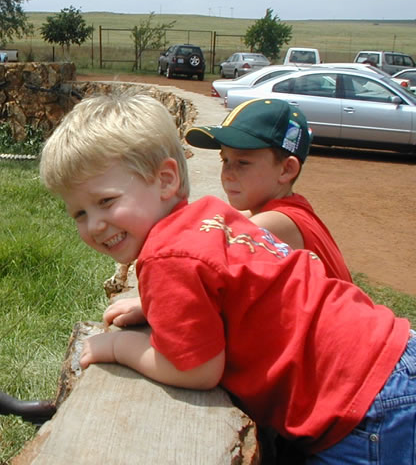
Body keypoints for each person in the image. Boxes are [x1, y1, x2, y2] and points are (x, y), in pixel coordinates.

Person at [39, 91, 414, 464]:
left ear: (166, 180)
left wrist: (117, 347)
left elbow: (196, 369)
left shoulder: (166, 255)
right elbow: (228, 286)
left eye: (106, 201)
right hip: (388, 354)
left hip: (365, 403)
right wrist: (159, 306)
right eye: (79, 214)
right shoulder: (210, 215)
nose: (95, 224)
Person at [184, 98, 352, 283]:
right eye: (225, 160)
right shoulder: (280, 209)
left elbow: (191, 260)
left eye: (243, 162)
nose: (227, 175)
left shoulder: (276, 223)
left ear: (286, 170)